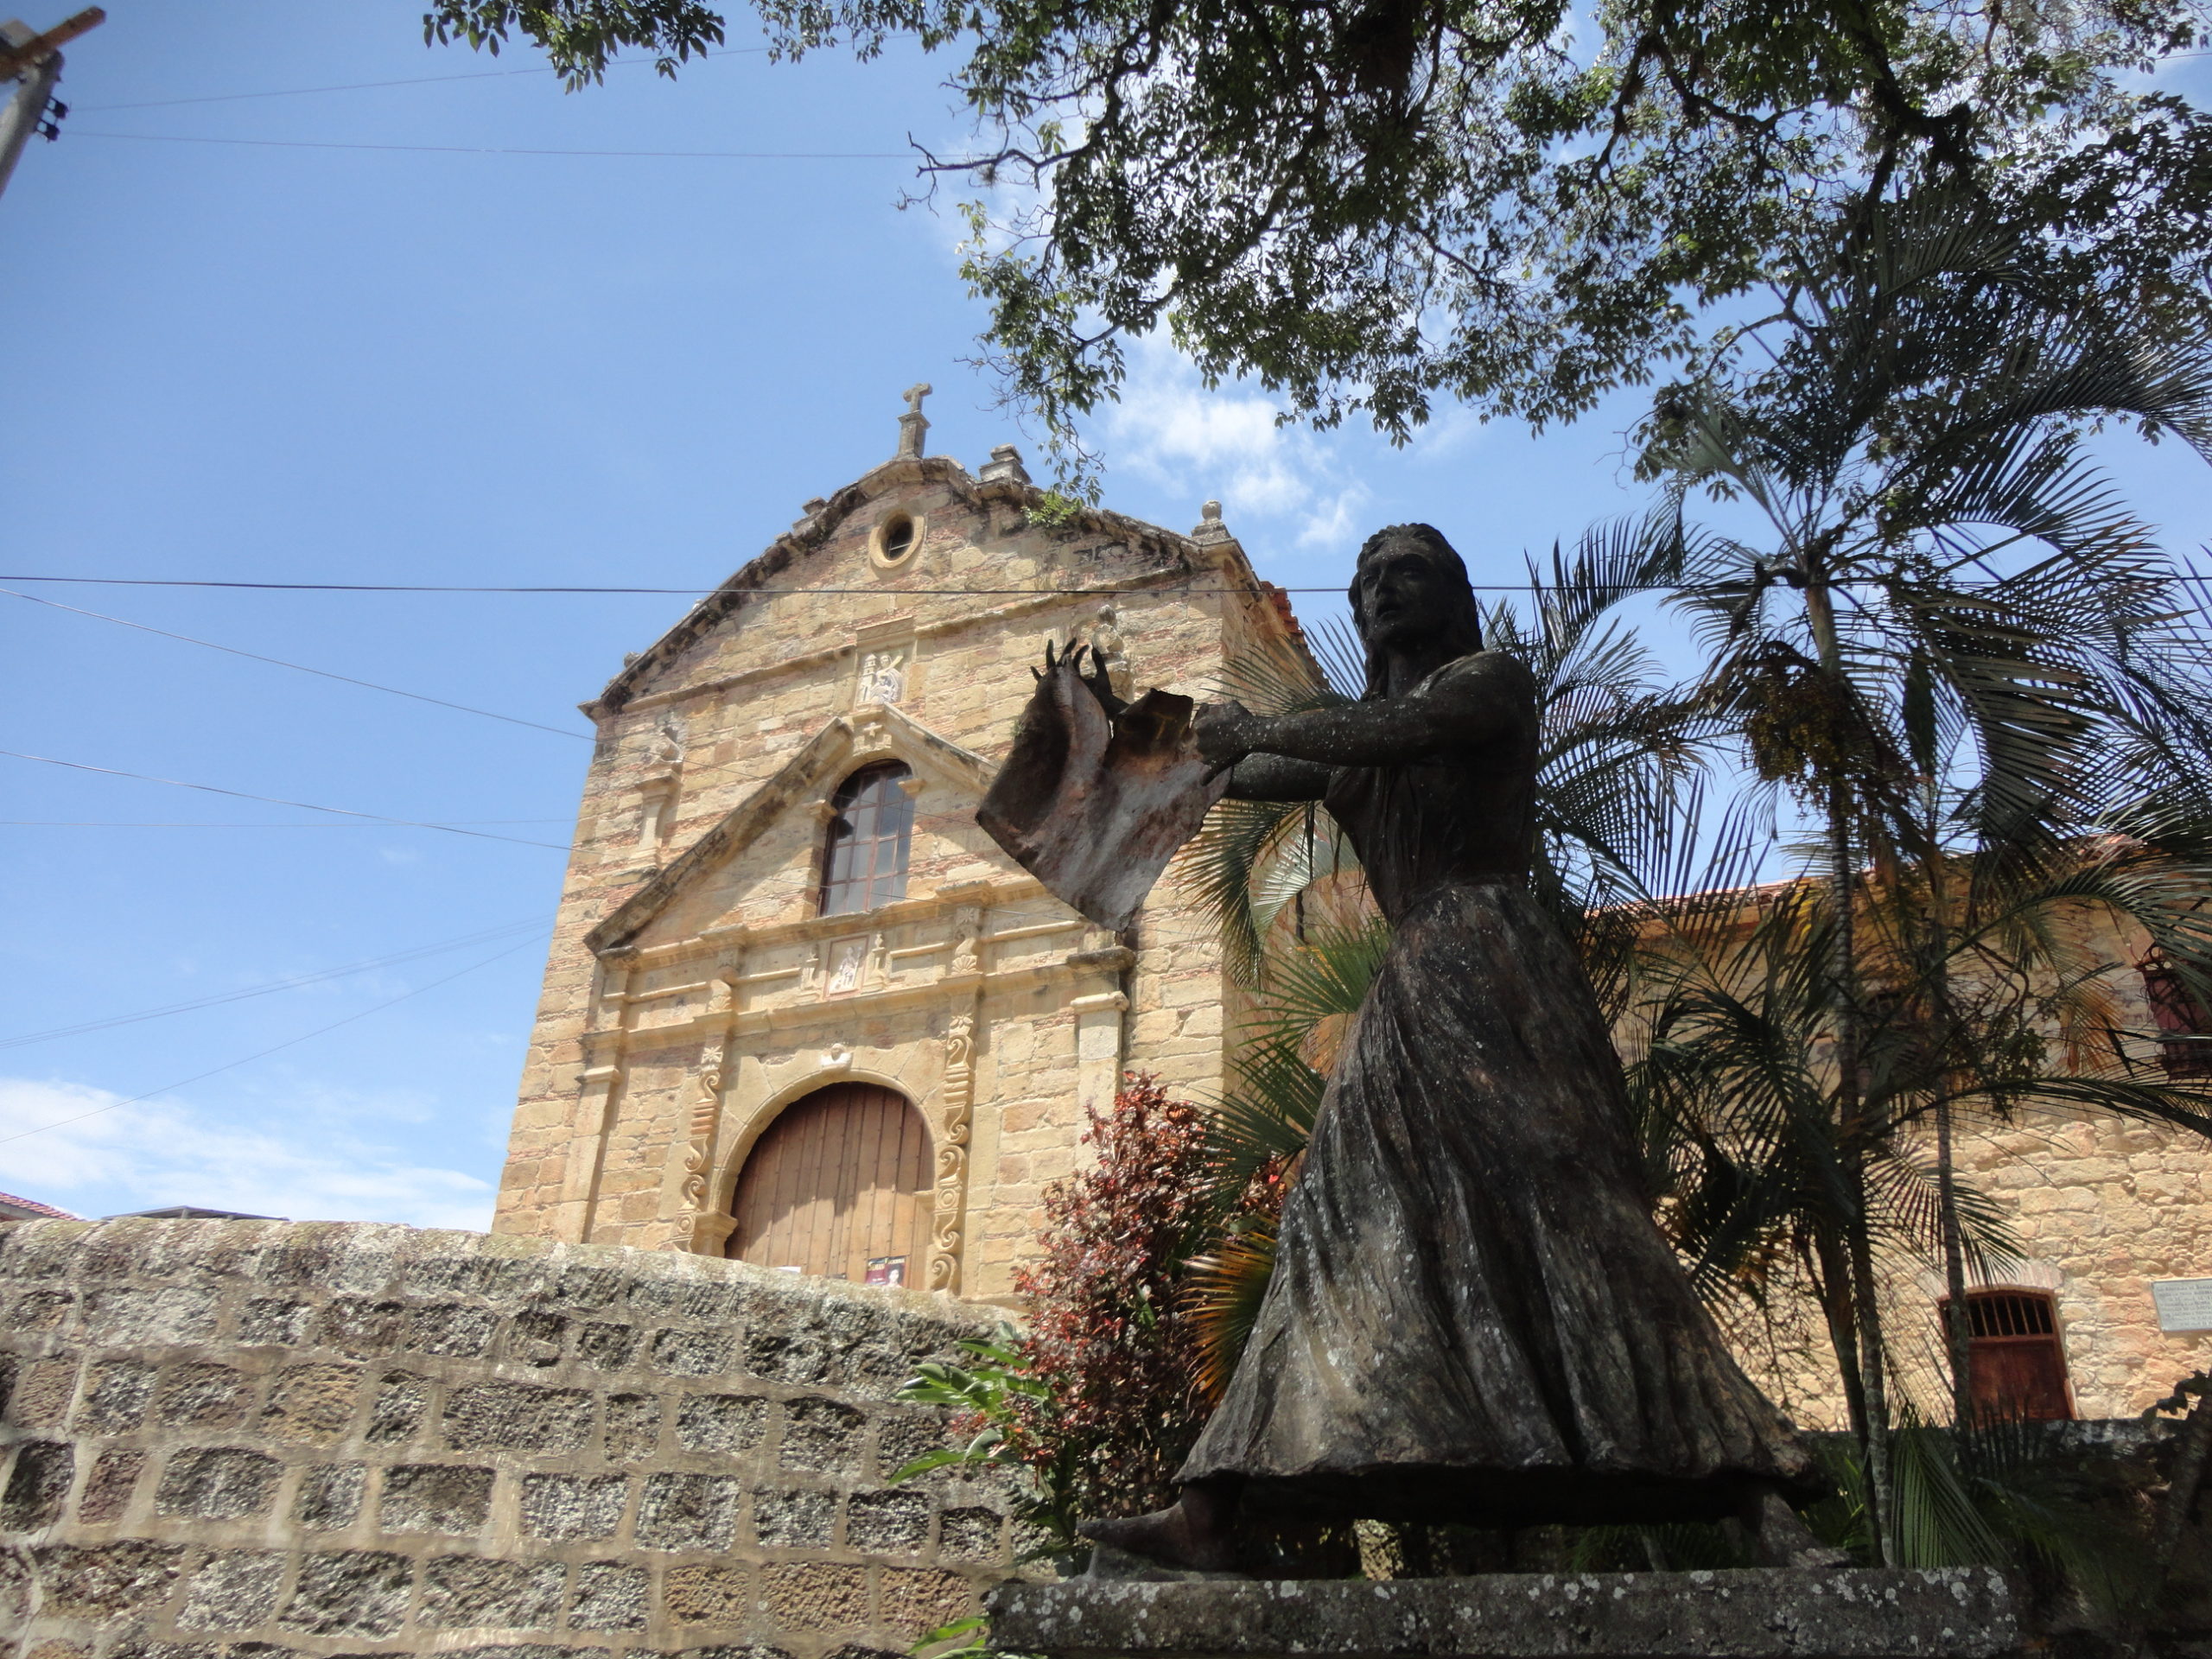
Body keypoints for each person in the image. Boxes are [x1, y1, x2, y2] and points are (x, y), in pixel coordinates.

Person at [1078, 524, 1833, 1573]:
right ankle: (1211, 1511)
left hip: (1495, 961)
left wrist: (1251, 728)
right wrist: (1122, 731)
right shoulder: (1362, 735)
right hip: (1410, 987)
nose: (1383, 592)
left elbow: (1399, 731)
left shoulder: (1488, 682)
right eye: (1367, 582)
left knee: (1577, 1212)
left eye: (1408, 574)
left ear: (1452, 594)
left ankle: (1764, 1510)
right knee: (1332, 1224)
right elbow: (1237, 778)